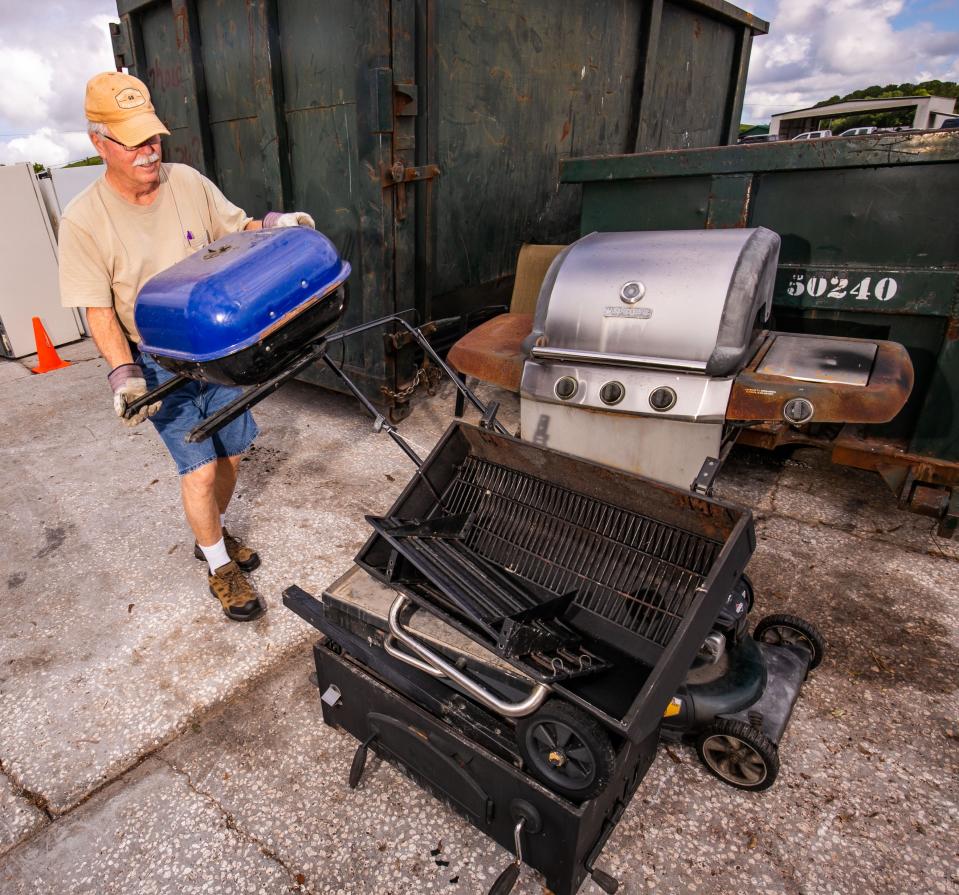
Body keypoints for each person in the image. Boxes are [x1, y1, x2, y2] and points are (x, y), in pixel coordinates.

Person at [58, 71, 314, 622]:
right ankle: (221, 567)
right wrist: (124, 375)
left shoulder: (186, 182)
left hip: (218, 346)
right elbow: (98, 309)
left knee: (232, 453)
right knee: (198, 468)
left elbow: (236, 227)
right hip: (154, 356)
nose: (149, 153)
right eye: (132, 143)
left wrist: (277, 225)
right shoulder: (84, 219)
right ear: (98, 142)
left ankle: (211, 536)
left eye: (152, 138)